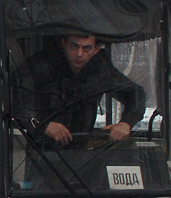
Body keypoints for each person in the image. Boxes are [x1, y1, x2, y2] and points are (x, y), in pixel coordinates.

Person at [19, 32, 147, 148]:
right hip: (40, 153)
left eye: (87, 48)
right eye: (74, 47)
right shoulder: (40, 67)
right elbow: (14, 99)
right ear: (64, 44)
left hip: (81, 155)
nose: (80, 54)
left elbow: (136, 94)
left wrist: (126, 123)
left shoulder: (100, 71)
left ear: (96, 49)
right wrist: (42, 125)